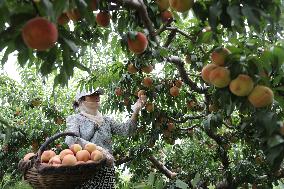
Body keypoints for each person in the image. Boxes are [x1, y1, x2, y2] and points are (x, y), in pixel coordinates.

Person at [65, 87, 146, 189]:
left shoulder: (106, 120)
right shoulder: (75, 119)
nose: (97, 97)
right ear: (82, 100)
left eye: (98, 94)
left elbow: (125, 130)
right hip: (85, 170)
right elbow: (71, 139)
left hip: (106, 169)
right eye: (92, 95)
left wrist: (136, 111)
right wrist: (98, 149)